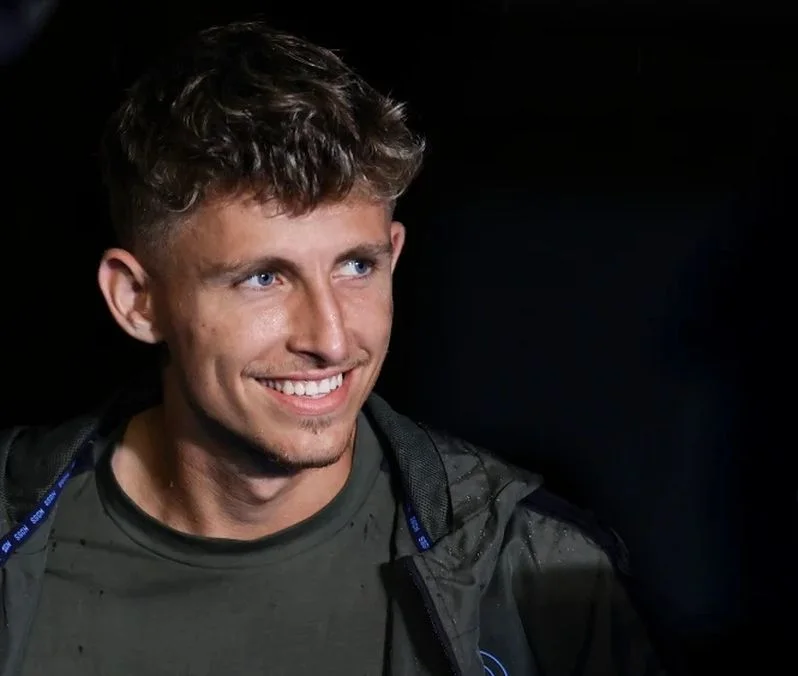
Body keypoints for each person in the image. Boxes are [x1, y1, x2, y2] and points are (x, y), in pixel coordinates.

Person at [0, 21, 661, 676]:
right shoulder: (15, 544)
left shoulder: (536, 577)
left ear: (394, 256)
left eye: (356, 266)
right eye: (264, 278)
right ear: (137, 300)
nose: (332, 338)